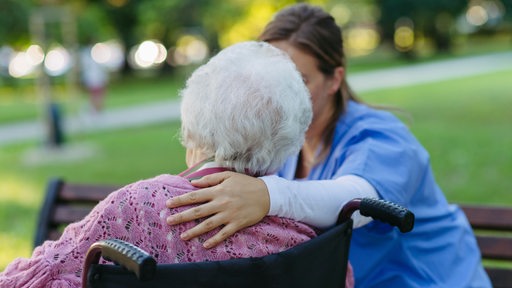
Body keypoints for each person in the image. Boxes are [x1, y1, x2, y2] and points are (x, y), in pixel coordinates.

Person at [165, 3, 492, 287]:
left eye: (299, 80)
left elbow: (357, 203)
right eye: (272, 80)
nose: (280, 94)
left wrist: (267, 194)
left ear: (335, 79)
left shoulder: (380, 138)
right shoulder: (282, 146)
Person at [0, 41, 354, 287]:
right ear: (291, 137)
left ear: (192, 127)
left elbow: (30, 279)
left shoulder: (136, 210)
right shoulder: (308, 237)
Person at [79, 42, 109, 113]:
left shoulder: (95, 55)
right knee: (95, 95)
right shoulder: (87, 56)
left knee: (99, 94)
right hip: (92, 78)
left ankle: (98, 109)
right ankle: (95, 109)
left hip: (96, 78)